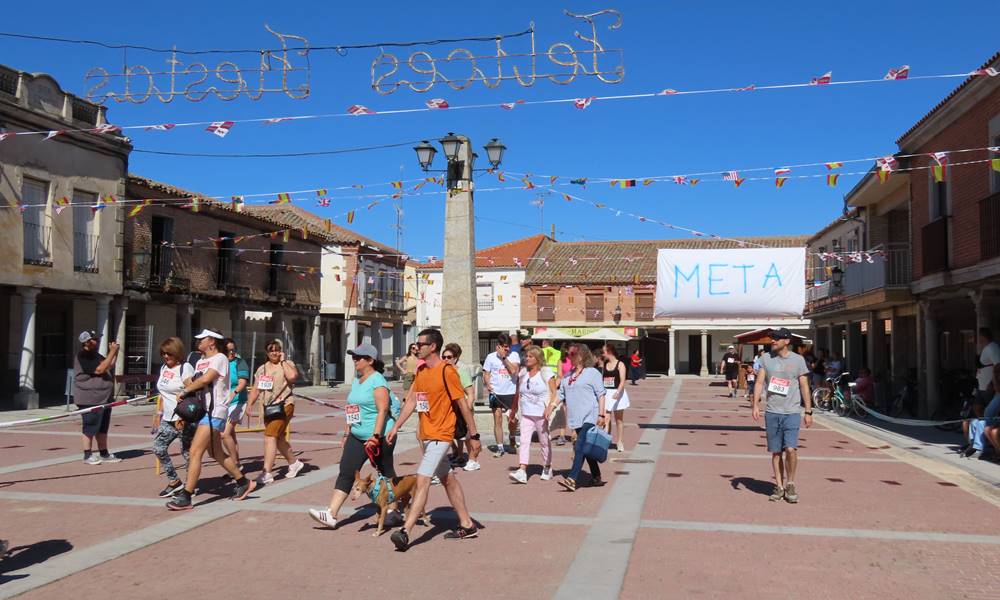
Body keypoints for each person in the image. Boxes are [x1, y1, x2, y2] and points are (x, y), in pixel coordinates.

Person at [386, 328, 483, 551]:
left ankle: (405, 532)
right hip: (427, 435)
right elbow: (411, 402)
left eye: (420, 344)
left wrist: (474, 435)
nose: (416, 347)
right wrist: (396, 427)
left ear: (432, 347)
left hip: (442, 434)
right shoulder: (421, 373)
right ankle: (468, 525)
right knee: (448, 479)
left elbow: (462, 404)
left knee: (422, 479)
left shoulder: (446, 371)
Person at [308, 343, 399, 529]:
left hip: (380, 436)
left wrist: (375, 436)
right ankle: (331, 514)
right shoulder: (358, 380)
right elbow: (353, 410)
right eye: (353, 357)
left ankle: (393, 510)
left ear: (370, 360)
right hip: (356, 436)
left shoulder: (378, 380)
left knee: (386, 473)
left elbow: (382, 410)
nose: (355, 360)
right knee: (347, 470)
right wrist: (347, 432)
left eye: (359, 357)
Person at [166, 329, 255, 510]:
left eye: (202, 339)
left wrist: (186, 390)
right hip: (202, 412)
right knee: (216, 453)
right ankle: (243, 481)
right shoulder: (200, 361)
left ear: (212, 342)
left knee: (195, 452)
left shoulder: (220, 359)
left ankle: (187, 496)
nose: (198, 341)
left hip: (215, 412)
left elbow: (206, 379)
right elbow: (192, 382)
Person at [752, 328, 812, 504]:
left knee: (791, 449)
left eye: (777, 338)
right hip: (772, 412)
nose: (773, 341)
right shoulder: (766, 359)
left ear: (787, 341)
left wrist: (808, 411)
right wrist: (755, 404)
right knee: (776, 452)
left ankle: (790, 483)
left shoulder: (798, 360)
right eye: (773, 338)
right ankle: (778, 486)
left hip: (792, 412)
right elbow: (759, 382)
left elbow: (804, 386)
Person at [247, 339, 305, 485]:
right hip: (269, 407)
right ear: (266, 352)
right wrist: (249, 404)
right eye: (271, 349)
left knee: (270, 436)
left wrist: (283, 361)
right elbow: (256, 388)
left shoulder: (287, 364)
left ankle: (266, 472)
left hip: (285, 404)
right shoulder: (262, 369)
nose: (274, 352)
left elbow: (292, 377)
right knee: (278, 438)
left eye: (277, 349)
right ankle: (294, 463)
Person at [555, 344, 607, 492]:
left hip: (590, 415)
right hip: (575, 417)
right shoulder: (568, 376)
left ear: (582, 355)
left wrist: (602, 414)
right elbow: (561, 394)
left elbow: (601, 394)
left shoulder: (592, 373)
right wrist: (551, 405)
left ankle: (572, 478)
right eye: (569, 353)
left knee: (579, 445)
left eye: (573, 353)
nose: (569, 356)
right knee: (586, 447)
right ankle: (596, 476)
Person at [152, 337, 195, 497]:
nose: (165, 356)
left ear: (177, 353)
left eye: (169, 353)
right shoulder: (164, 368)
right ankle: (174, 481)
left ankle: (190, 486)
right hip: (168, 418)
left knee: (187, 453)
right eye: (163, 353)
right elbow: (163, 393)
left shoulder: (185, 368)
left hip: (183, 417)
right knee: (158, 447)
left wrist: (182, 417)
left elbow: (191, 391)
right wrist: (159, 413)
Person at [74, 330, 122, 465]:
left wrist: (115, 352)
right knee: (90, 426)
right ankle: (87, 455)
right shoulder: (83, 356)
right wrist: (111, 352)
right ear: (87, 342)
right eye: (95, 339)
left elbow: (109, 365)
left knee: (102, 427)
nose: (98, 341)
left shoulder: (95, 355)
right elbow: (99, 370)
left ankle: (104, 453)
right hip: (90, 399)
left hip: (104, 398)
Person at [509, 347, 556, 484]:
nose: (527, 358)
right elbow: (518, 393)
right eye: (526, 356)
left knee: (544, 442)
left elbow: (554, 392)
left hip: (541, 414)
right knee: (523, 441)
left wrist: (549, 407)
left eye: (530, 356)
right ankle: (522, 470)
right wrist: (513, 410)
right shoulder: (523, 372)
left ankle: (547, 467)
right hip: (526, 413)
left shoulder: (546, 372)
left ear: (538, 358)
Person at [442, 343, 481, 471]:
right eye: (444, 357)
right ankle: (459, 455)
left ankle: (473, 460)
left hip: (462, 409)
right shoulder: (444, 372)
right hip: (450, 409)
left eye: (449, 357)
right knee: (457, 435)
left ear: (455, 358)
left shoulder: (461, 372)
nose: (446, 359)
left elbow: (470, 393)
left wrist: (467, 410)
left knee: (466, 436)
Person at [483, 333, 521, 458]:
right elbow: (486, 373)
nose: (507, 349)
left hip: (511, 392)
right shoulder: (490, 357)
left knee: (512, 420)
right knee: (497, 418)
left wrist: (504, 357)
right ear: (498, 346)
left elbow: (514, 371)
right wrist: (488, 383)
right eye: (505, 347)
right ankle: (499, 447)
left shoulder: (514, 355)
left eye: (509, 346)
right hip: (495, 392)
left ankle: (511, 437)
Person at [222, 339, 250, 469]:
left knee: (225, 433)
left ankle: (235, 465)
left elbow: (243, 382)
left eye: (233, 350)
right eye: (228, 350)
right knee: (231, 435)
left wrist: (234, 392)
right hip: (223, 403)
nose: (231, 352)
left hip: (238, 401)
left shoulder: (240, 362)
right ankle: (236, 464)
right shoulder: (220, 363)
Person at [601, 344, 630, 452]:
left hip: (617, 393)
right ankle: (606, 441)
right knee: (606, 419)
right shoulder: (605, 364)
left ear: (609, 352)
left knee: (619, 420)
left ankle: (620, 441)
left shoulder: (620, 364)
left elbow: (623, 380)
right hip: (607, 393)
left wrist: (618, 392)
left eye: (603, 352)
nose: (602, 354)